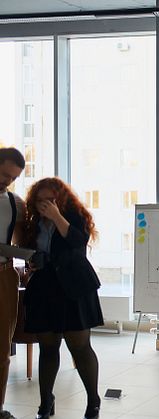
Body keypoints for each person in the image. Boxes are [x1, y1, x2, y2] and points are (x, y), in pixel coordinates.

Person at [20, 178, 104, 419]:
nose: (45, 204)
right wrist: (31, 261)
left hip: (74, 288)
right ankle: (46, 402)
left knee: (79, 346)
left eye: (51, 200)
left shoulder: (76, 215)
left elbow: (78, 243)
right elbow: (28, 250)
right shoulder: (32, 223)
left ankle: (93, 401)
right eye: (41, 200)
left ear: (61, 199)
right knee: (48, 348)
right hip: (44, 289)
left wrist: (57, 216)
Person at [0, 148, 26, 419]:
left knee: (1, 347)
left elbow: (21, 240)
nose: (7, 181)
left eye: (13, 178)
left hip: (4, 275)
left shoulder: (15, 202)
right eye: (5, 174)